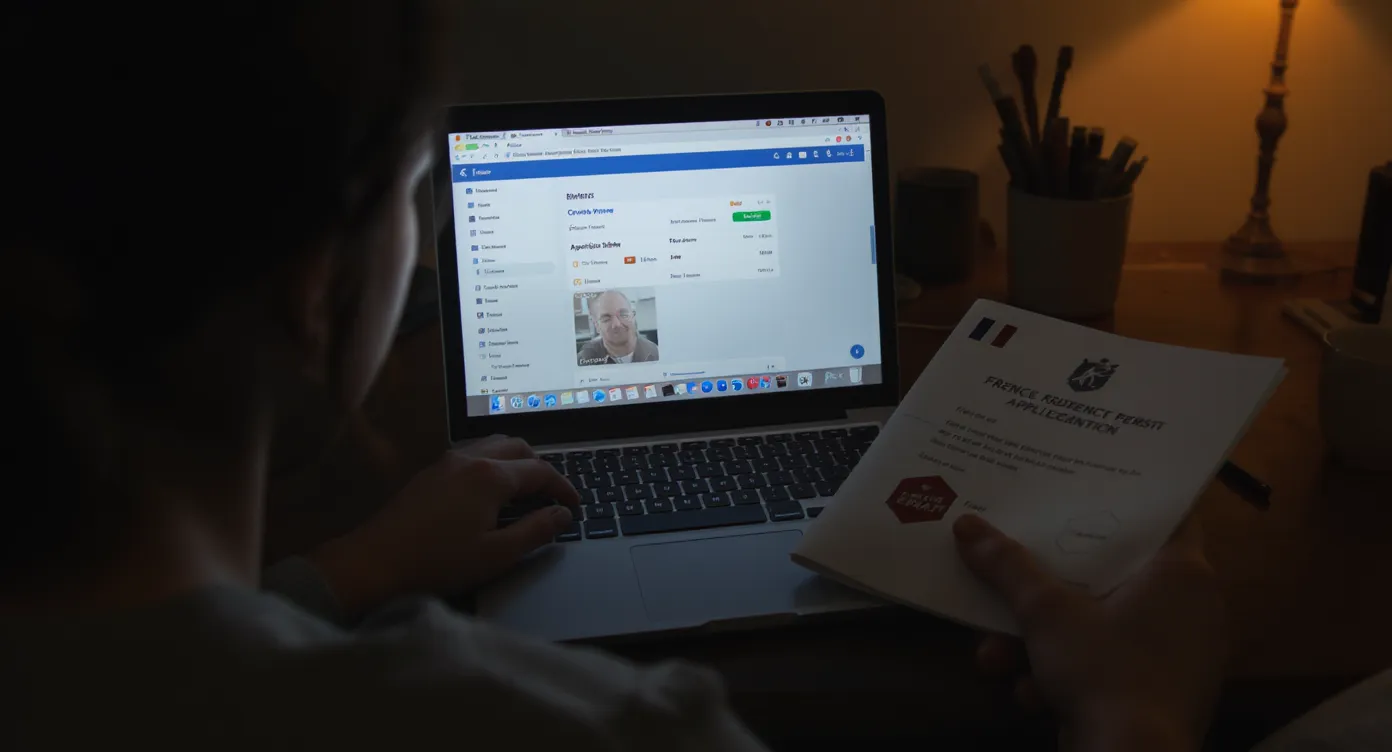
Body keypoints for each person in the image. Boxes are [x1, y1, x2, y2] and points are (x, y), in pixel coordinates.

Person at [4, 4, 1387, 751]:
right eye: (417, 184)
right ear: (319, 284)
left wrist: (343, 572)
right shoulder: (586, 730)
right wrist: (1141, 716)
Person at [577, 289, 659, 365]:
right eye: (606, 319)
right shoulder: (584, 360)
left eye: (623, 314)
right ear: (596, 326)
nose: (617, 324)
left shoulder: (656, 354)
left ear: (633, 317)